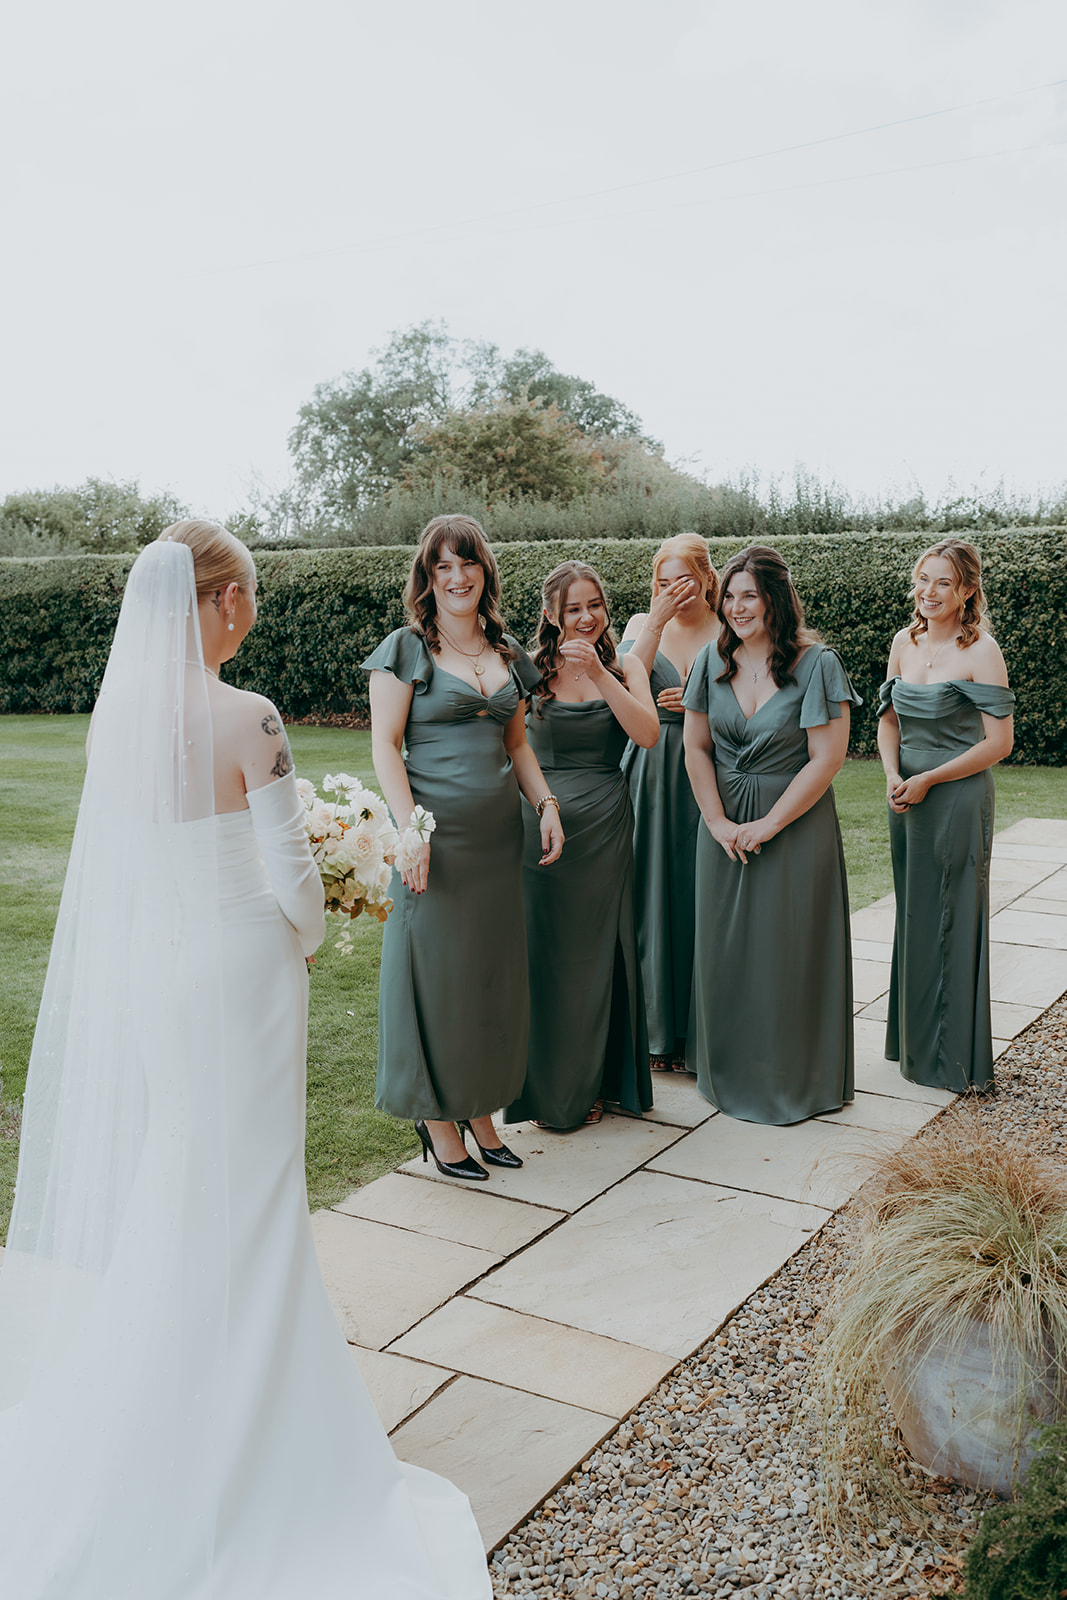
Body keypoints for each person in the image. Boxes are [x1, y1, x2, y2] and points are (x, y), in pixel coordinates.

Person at [0, 522, 491, 1598]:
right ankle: (262, 1438)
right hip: (240, 978)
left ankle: (166, 1403)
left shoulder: (116, 721)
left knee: (183, 1179)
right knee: (256, 1195)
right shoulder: (247, 715)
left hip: (160, 981)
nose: (254, 615)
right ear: (219, 603)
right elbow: (293, 891)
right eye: (250, 597)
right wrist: (325, 910)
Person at [363, 514, 563, 1179]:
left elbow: (517, 745)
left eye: (467, 563)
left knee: (484, 982)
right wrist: (410, 832)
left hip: (496, 846)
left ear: (484, 570)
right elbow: (385, 748)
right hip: (433, 847)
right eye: (441, 566)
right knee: (437, 980)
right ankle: (437, 1117)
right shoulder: (406, 648)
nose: (456, 576)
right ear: (427, 576)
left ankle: (478, 1110)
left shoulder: (507, 652)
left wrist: (546, 804)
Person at [682, 544, 860, 1125]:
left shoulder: (817, 664)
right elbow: (696, 746)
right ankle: (727, 1070)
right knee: (726, 952)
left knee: (787, 951)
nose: (736, 607)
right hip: (724, 827)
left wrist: (770, 823)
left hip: (793, 826)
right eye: (729, 596)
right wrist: (716, 821)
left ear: (775, 599)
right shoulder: (712, 659)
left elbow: (826, 759)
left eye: (749, 595)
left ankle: (792, 1079)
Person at [506, 561, 659, 1131]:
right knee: (543, 954)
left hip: (603, 823)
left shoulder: (627, 663)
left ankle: (594, 1082)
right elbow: (508, 743)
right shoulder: (526, 668)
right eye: (573, 608)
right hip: (537, 824)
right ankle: (541, 1084)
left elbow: (646, 735)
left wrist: (600, 675)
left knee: (596, 953)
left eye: (594, 604)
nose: (587, 616)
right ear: (551, 614)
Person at [877, 538, 1014, 1092]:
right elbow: (888, 720)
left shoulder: (981, 650)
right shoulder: (902, 642)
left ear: (966, 591)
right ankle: (912, 1044)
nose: (928, 592)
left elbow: (999, 743)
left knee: (952, 917)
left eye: (942, 583)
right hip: (905, 794)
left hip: (955, 796)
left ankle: (953, 1057)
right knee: (913, 914)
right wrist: (891, 775)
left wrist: (931, 777)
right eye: (923, 580)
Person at [620, 533, 720, 1073]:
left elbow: (752, 701)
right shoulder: (640, 626)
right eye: (662, 582)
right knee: (649, 893)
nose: (672, 591)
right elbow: (622, 683)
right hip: (651, 770)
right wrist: (656, 621)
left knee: (699, 893)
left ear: (706, 578)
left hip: (708, 768)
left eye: (682, 581)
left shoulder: (727, 627)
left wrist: (704, 701)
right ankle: (654, 1034)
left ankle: (698, 1031)